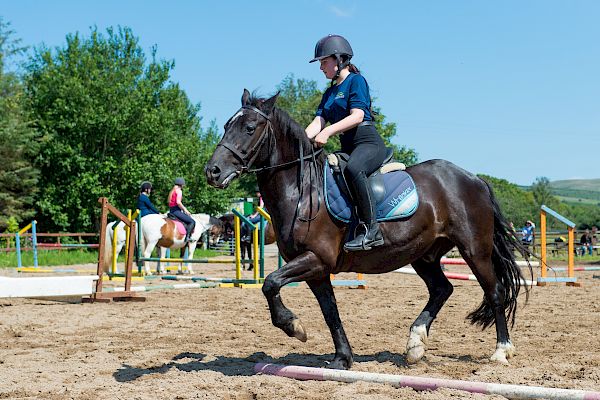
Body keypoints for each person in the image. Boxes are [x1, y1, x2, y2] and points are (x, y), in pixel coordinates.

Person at [305, 34, 387, 251]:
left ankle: (372, 231)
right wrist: (301, 142)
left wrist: (328, 132)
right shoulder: (330, 93)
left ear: (339, 59)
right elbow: (318, 122)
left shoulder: (356, 81)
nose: (321, 67)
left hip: (368, 143)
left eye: (324, 62)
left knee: (353, 168)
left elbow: (358, 115)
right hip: (348, 147)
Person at [167, 177, 195, 242]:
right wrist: (185, 210)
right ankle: (187, 238)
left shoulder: (172, 191)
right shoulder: (179, 191)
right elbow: (178, 202)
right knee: (192, 222)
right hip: (176, 211)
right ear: (181, 184)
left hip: (171, 210)